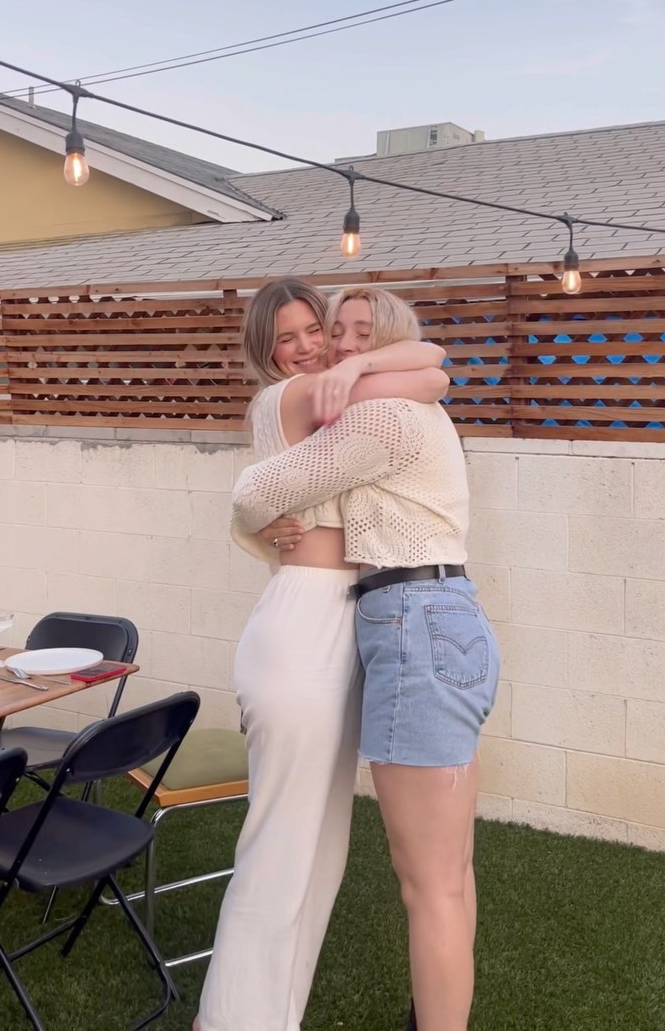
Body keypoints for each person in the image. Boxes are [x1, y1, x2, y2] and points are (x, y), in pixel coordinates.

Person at [230, 286, 500, 1031]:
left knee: (431, 882)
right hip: (445, 615)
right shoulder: (406, 404)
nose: (337, 345)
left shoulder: (378, 414)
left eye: (356, 333)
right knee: (449, 872)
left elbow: (259, 488)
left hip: (413, 620)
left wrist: (247, 514)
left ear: (385, 341)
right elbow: (433, 366)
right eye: (333, 330)